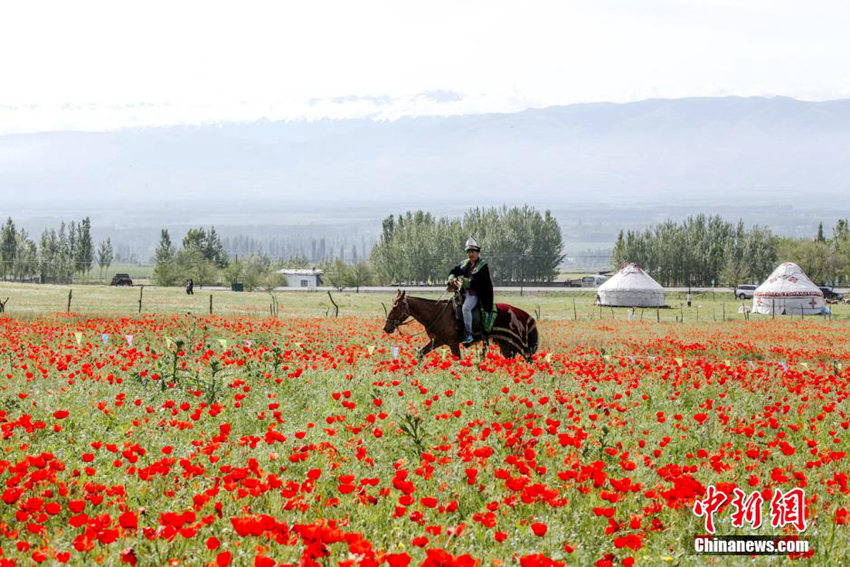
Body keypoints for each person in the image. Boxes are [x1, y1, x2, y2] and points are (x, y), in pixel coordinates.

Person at [447, 237, 494, 345]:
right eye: (468, 252)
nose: (470, 254)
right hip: (463, 293)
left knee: (466, 308)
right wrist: (451, 278)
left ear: (478, 252)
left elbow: (481, 283)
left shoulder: (483, 266)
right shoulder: (464, 263)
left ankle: (469, 335)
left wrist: (465, 282)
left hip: (476, 294)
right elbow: (453, 271)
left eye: (473, 251)